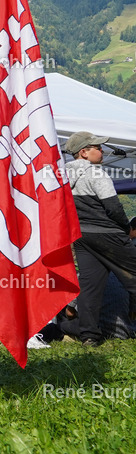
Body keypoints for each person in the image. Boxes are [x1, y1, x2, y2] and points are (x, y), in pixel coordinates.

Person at [63, 131, 136, 347]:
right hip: (107, 234)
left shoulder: (62, 174)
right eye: (97, 147)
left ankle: (89, 337)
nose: (102, 151)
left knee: (89, 287)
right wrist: (125, 229)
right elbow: (113, 207)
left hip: (82, 236)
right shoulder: (97, 173)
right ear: (84, 152)